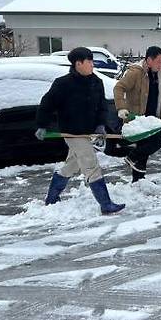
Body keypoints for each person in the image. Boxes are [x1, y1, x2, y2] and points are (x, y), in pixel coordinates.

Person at [35, 47, 125, 215]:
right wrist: (42, 125)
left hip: (89, 131)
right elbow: (47, 104)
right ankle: (105, 204)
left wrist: (100, 125)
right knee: (91, 164)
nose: (93, 64)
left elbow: (102, 107)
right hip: (73, 133)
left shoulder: (96, 82)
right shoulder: (63, 84)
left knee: (71, 165)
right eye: (89, 61)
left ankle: (52, 198)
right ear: (78, 64)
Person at [114, 46, 161, 183]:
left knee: (144, 150)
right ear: (149, 60)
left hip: (153, 119)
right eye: (159, 61)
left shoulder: (159, 74)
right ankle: (132, 160)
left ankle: (138, 180)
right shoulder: (136, 73)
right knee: (158, 140)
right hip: (138, 120)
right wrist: (121, 108)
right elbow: (119, 87)